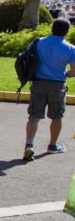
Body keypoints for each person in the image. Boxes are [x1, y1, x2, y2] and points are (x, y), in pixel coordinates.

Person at [24, 18, 75, 159]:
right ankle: (52, 145)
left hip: (38, 83)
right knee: (56, 116)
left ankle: (29, 145)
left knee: (34, 116)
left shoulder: (38, 42)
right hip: (57, 85)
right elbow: (74, 71)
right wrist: (65, 73)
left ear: (52, 28)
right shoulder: (70, 48)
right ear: (67, 31)